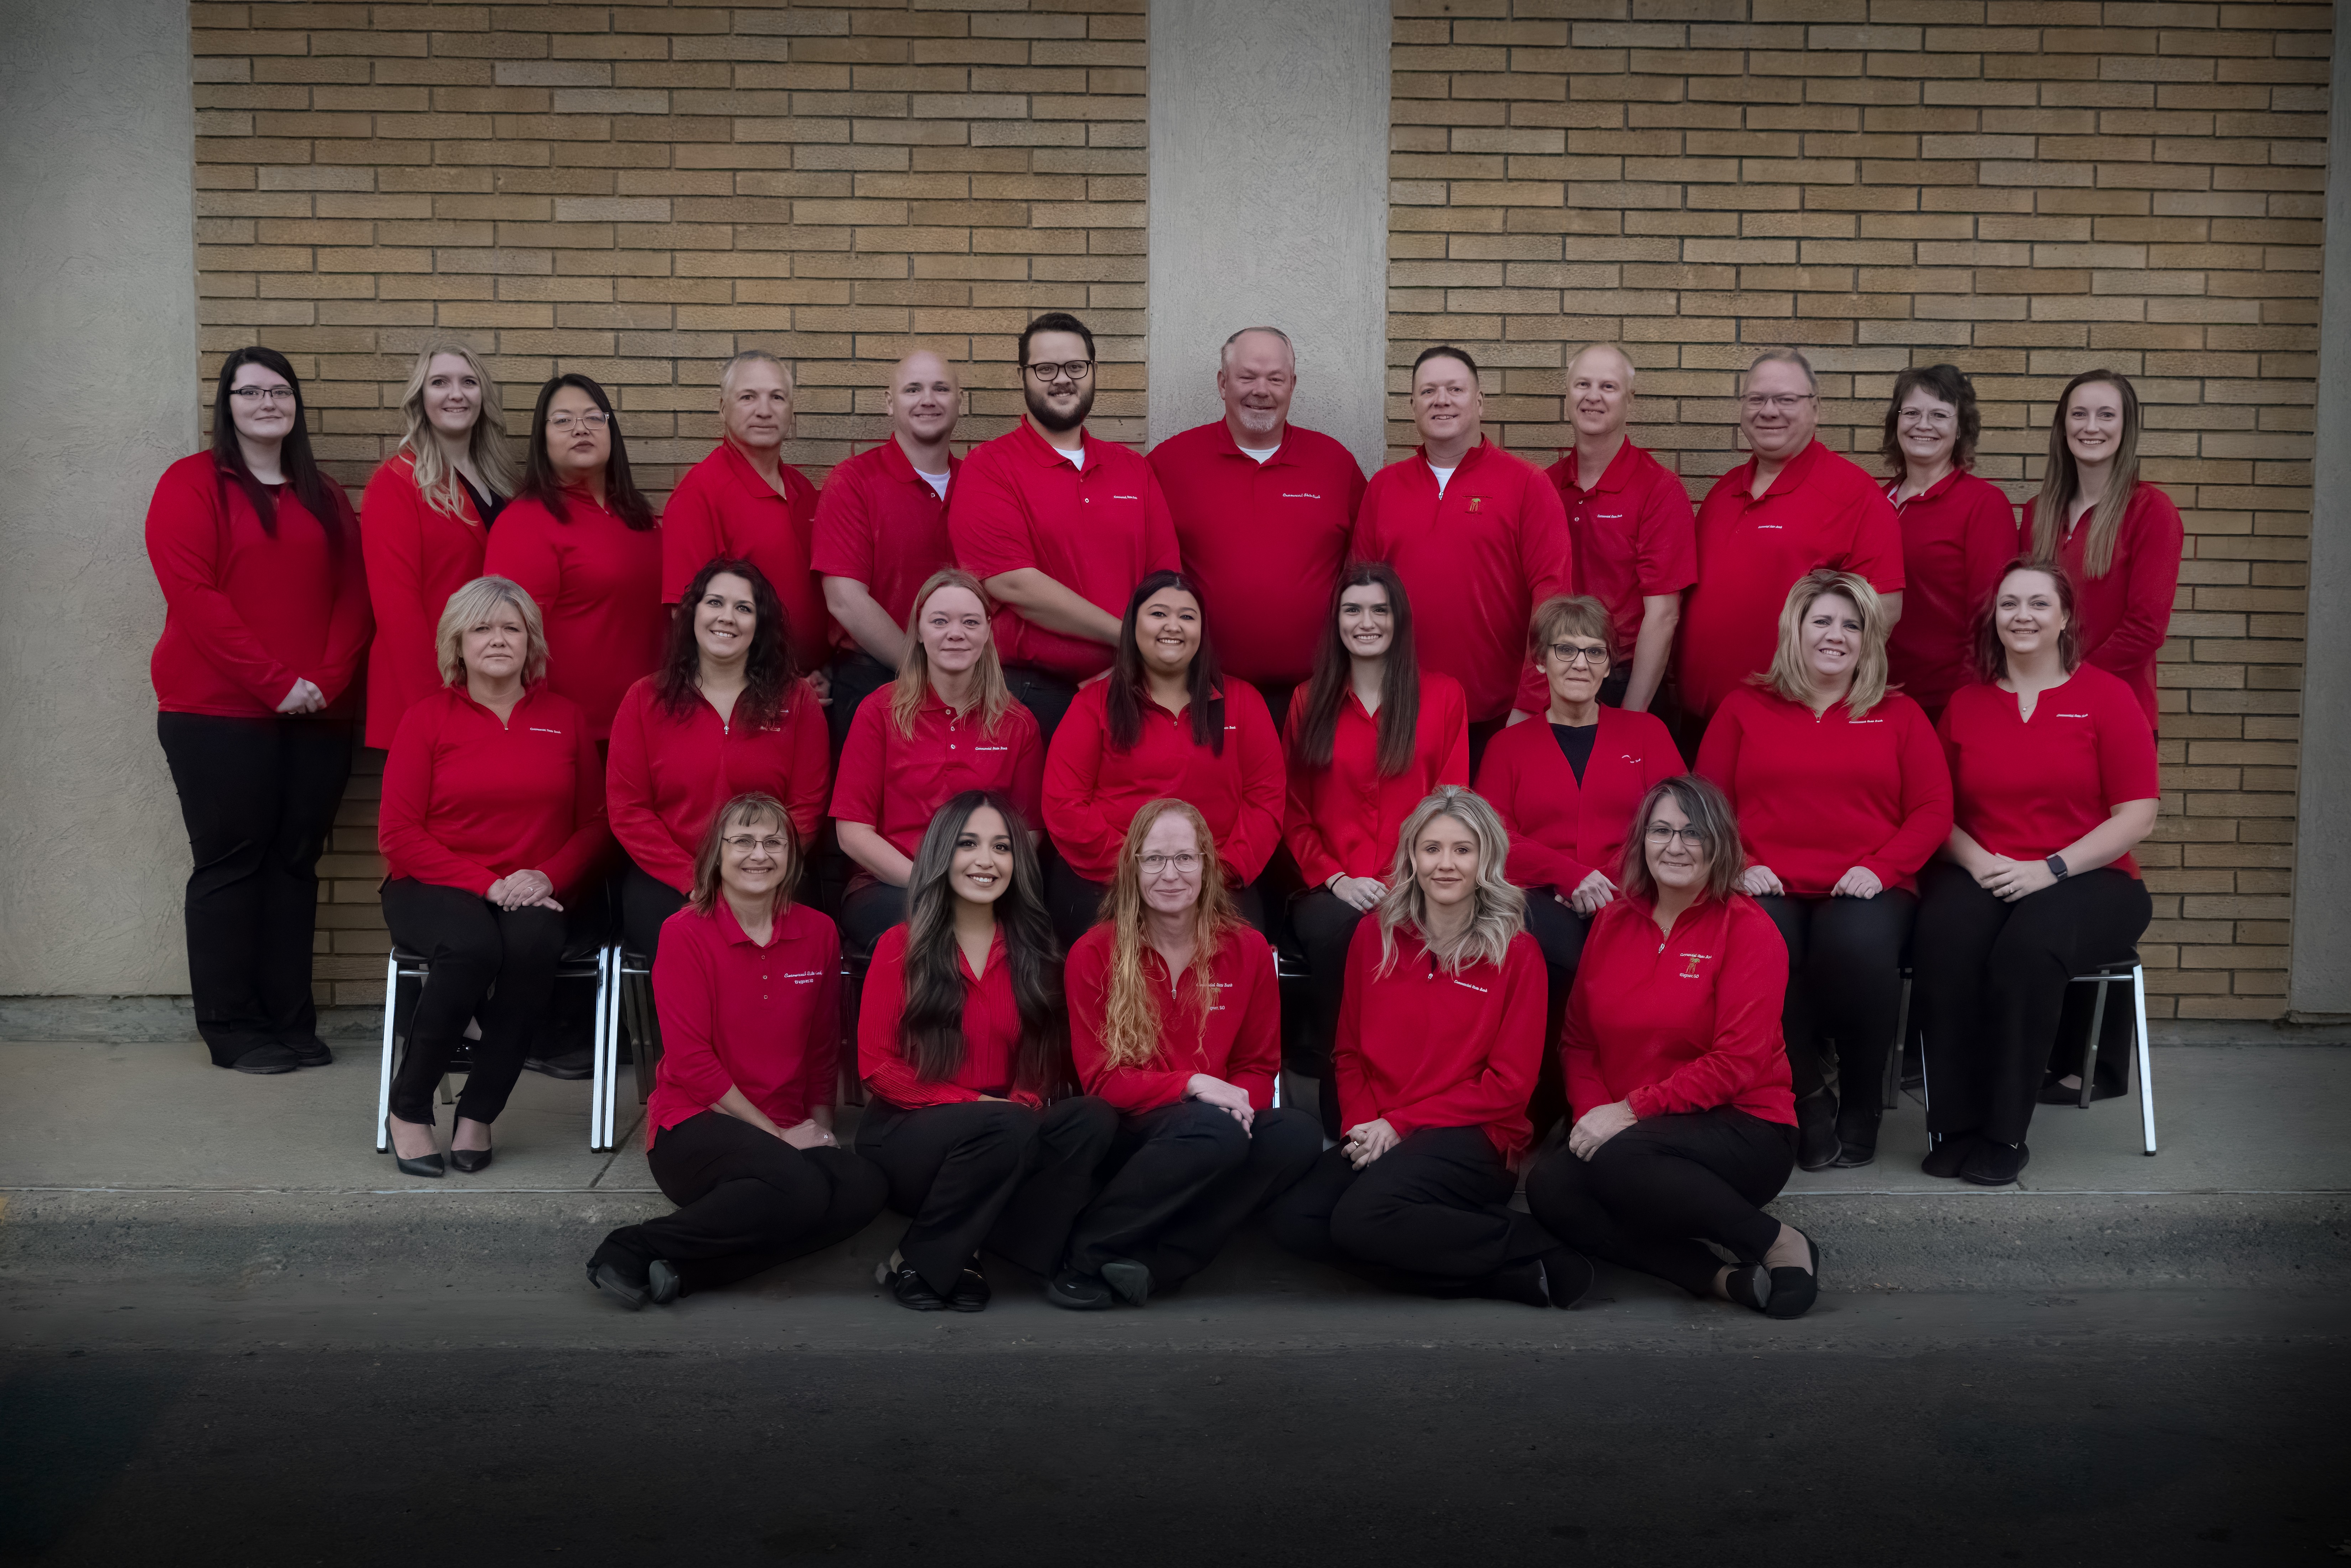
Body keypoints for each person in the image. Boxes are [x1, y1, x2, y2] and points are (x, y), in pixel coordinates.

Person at [1265, 788, 1588, 1308]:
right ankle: (1502, 1278)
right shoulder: (1373, 936)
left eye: (1462, 850)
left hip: (1473, 1137)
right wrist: (1363, 1126)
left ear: (1485, 859)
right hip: (1384, 1129)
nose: (1445, 864)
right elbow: (1348, 1054)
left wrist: (1400, 1125)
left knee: (1361, 1219)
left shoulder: (1518, 952)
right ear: (1411, 857)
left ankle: (1537, 1244)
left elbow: (1508, 1087)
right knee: (1295, 1219)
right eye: (1431, 848)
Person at [146, 346, 370, 1074]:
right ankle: (232, 1026)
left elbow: (354, 595)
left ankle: (289, 1020)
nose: (267, 403)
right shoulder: (191, 484)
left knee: (294, 864)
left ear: (296, 404)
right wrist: (275, 682)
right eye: (250, 392)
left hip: (319, 713)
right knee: (231, 865)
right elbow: (195, 596)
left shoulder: (323, 494)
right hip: (217, 712)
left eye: (279, 391)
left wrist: (326, 680)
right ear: (228, 405)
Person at [1524, 776, 1819, 1319]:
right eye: (1660, 831)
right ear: (1641, 842)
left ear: (1719, 844)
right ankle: (1714, 1278)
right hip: (1634, 1133)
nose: (1675, 846)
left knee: (1618, 1157)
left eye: (1692, 833)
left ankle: (1775, 1241)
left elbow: (1736, 1062)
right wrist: (1592, 1113)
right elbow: (1578, 1040)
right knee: (1550, 1187)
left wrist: (1628, 1112)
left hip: (1743, 1126)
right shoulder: (1612, 920)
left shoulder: (1749, 930)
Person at [587, 794, 887, 1309]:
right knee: (801, 1187)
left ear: (792, 856)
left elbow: (822, 1045)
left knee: (864, 1186)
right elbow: (691, 1063)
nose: (759, 854)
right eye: (743, 841)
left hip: (783, 1129)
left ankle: (690, 1272)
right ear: (716, 854)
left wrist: (819, 1132)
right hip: (695, 1126)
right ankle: (629, 1246)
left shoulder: (818, 931)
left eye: (774, 842)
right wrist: (780, 1138)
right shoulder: (684, 933)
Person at [1913, 562, 2159, 1187]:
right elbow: (1934, 811)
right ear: (1993, 618)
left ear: (2065, 617)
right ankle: (1954, 1127)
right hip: (1986, 867)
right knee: (1943, 938)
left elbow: (2137, 815)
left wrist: (2050, 869)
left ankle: (2003, 1133)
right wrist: (1980, 862)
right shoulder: (1965, 704)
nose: (2021, 616)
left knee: (2027, 950)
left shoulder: (2107, 697)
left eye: (2038, 604)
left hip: (2092, 877)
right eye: (2008, 604)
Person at [1697, 570, 1952, 1170]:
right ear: (1795, 629)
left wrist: (1882, 868)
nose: (1835, 635)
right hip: (1766, 880)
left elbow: (1933, 809)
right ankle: (1807, 1098)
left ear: (1867, 640)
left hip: (1866, 882)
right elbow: (1707, 803)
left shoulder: (1898, 713)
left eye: (1851, 625)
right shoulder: (1743, 707)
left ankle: (1861, 1102)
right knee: (1759, 949)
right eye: (1822, 621)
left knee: (1858, 950)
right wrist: (1740, 865)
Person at [377, 578, 608, 1176]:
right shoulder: (425, 719)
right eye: (481, 628)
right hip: (432, 885)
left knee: (534, 944)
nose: (498, 639)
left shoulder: (565, 718)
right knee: (471, 947)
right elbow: (398, 834)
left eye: (511, 627)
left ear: (531, 642)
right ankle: (408, 1106)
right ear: (457, 643)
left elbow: (595, 823)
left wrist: (548, 877)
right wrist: (487, 883)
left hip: (532, 889)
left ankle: (479, 1111)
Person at [856, 792, 1117, 1311]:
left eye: (1001, 847)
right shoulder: (900, 945)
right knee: (1006, 1127)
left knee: (1093, 1118)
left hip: (1005, 1128)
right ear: (942, 854)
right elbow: (878, 1068)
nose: (986, 860)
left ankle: (971, 1248)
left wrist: (1020, 1104)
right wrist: (978, 1106)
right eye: (968, 844)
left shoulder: (1036, 952)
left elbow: (1042, 1064)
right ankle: (925, 1258)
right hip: (909, 1131)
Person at [1060, 801, 1324, 1306]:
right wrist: (1192, 1085)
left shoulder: (1247, 949)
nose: (1170, 874)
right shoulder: (1094, 952)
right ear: (1132, 867)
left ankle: (1153, 1265)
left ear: (1207, 865)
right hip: (1132, 1127)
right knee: (1214, 1131)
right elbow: (1102, 1081)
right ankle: (1086, 1253)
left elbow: (1257, 1065)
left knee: (1297, 1135)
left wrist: (1234, 1107)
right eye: (1154, 859)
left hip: (1214, 1128)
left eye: (1184, 858)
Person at [1283, 564, 1470, 1135]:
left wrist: (1410, 883)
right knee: (1347, 934)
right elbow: (1292, 809)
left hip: (1423, 881)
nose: (1366, 622)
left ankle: (1413, 1110)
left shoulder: (1442, 696)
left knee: (1414, 934)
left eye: (1379, 610)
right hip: (1329, 888)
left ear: (1398, 620)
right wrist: (1336, 879)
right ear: (1336, 621)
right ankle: (1346, 1116)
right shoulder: (1307, 700)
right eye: (1353, 610)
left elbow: (1452, 805)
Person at [948, 311, 1179, 744]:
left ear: (1093, 372)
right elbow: (1012, 583)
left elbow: (1166, 581)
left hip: (1131, 686)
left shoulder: (1132, 469)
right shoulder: (990, 467)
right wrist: (1129, 639)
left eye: (1075, 367)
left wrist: (1135, 661)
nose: (1062, 380)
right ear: (1022, 376)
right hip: (1029, 696)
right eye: (1045, 369)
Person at [1351, 345, 1574, 767]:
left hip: (1498, 716)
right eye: (1428, 391)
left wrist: (1530, 704)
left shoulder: (1526, 484)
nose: (1441, 400)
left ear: (1480, 402)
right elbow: (1359, 600)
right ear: (1413, 405)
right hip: (1400, 709)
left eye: (1455, 389)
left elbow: (1554, 600)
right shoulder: (1383, 488)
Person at [1041, 570, 1284, 945]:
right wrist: (1143, 868)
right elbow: (1065, 804)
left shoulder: (1244, 703)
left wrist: (1215, 871)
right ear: (1133, 626)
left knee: (1244, 953)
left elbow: (1265, 800)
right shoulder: (1093, 705)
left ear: (1202, 630)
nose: (1173, 626)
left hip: (1216, 880)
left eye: (1187, 616)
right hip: (1111, 877)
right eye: (1158, 614)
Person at [1677, 347, 1906, 741]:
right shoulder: (1722, 493)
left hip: (1790, 722)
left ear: (1815, 409)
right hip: (1700, 720)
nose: (1769, 411)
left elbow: (1884, 611)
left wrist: (1816, 697)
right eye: (1756, 399)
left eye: (1786, 399)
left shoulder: (1855, 495)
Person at [607, 559, 830, 962]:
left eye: (744, 608)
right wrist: (693, 879)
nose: (727, 617)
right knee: (691, 947)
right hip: (669, 878)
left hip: (770, 871)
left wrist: (755, 867)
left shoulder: (798, 700)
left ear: (760, 624)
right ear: (692, 613)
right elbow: (629, 811)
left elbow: (807, 807)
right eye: (715, 603)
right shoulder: (644, 699)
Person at [1146, 325, 1366, 731]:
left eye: (1275, 379)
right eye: (1247, 377)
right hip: (1201, 691)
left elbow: (1366, 571)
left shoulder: (1335, 464)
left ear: (1292, 385)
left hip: (1317, 694)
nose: (1261, 390)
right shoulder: (1170, 463)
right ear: (1223, 383)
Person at [1473, 595, 1681, 1003]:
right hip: (1540, 903)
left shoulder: (1648, 734)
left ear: (1607, 665)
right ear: (1540, 661)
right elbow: (1489, 837)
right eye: (1565, 650)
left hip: (1634, 895)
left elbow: (1678, 825)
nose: (1580, 663)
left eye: (1594, 652)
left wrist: (1603, 881)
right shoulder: (1506, 747)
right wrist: (1569, 875)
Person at [831, 569, 1044, 959]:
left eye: (970, 622)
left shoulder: (1017, 723)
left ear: (988, 631)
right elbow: (853, 834)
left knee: (1026, 939)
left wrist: (980, 881)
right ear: (919, 631)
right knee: (939, 931)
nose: (955, 633)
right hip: (893, 885)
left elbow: (1027, 832)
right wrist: (934, 883)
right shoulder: (879, 712)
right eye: (940, 621)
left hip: (985, 882)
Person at [483, 373, 663, 741]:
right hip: (570, 736)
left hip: (651, 726)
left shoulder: (642, 520)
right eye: (563, 420)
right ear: (542, 440)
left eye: (594, 417)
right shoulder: (524, 523)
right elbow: (508, 646)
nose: (581, 428)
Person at [361, 341, 517, 750]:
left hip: (489, 685)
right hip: (427, 693)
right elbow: (396, 607)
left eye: (468, 382)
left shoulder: (500, 482)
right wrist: (434, 707)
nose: (456, 394)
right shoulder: (396, 482)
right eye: (440, 383)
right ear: (420, 397)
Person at [813, 350, 964, 752]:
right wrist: (926, 673)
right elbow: (844, 599)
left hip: (968, 686)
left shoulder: (979, 485)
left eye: (941, 389)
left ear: (960, 401)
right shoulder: (854, 481)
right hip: (875, 681)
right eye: (913, 389)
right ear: (889, 402)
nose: (927, 400)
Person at [2021, 369, 2185, 730]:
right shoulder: (2038, 513)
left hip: (2118, 714)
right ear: (2063, 426)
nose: (2091, 427)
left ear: (2126, 428)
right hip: (2043, 709)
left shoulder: (2151, 511)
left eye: (2106, 415)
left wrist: (2068, 683)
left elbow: (2145, 629)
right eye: (2079, 414)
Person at [1544, 343, 1695, 712]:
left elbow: (1664, 615)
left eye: (1608, 387)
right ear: (1567, 396)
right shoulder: (1545, 486)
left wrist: (1632, 714)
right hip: (1554, 673)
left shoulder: (1659, 489)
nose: (1593, 396)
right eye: (1582, 384)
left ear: (1630, 399)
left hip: (1625, 680)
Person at [662, 350, 831, 678]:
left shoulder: (804, 490)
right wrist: (778, 684)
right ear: (723, 408)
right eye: (748, 397)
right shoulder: (698, 495)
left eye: (777, 397)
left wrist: (824, 673)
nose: (764, 411)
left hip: (814, 686)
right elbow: (689, 619)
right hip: (750, 690)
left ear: (791, 410)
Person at [1879, 364, 2017, 726]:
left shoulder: (1983, 505)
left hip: (1946, 702)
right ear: (1897, 422)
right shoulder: (1874, 503)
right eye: (1911, 413)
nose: (1923, 424)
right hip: (1875, 694)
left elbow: (1989, 619)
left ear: (1960, 430)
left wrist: (1965, 706)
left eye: (1939, 415)